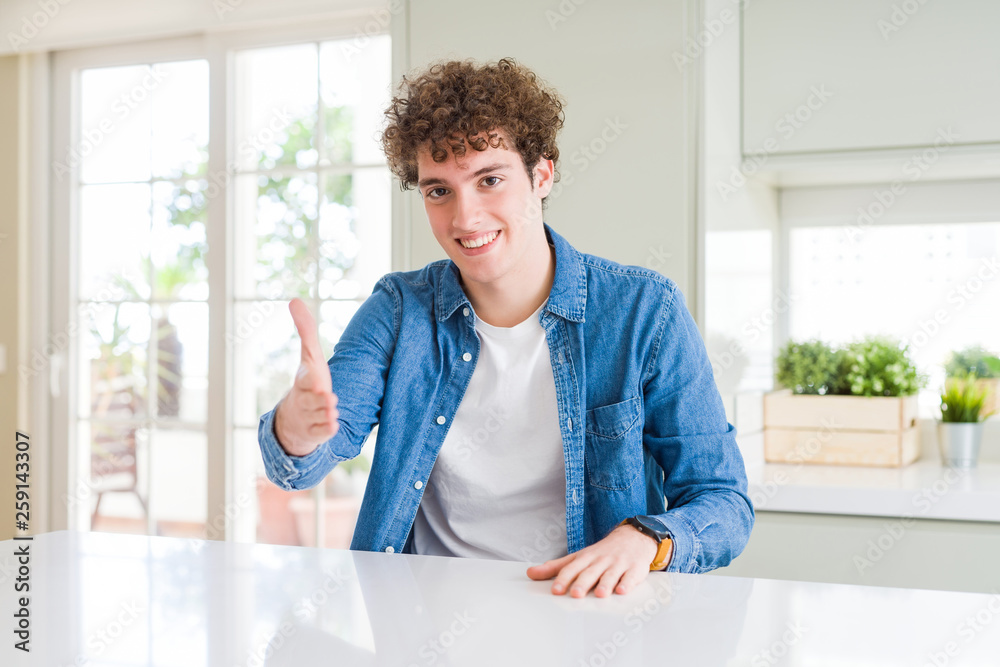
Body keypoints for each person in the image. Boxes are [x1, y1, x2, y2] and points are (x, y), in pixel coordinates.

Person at [258, 58, 754, 598]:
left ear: (541, 176)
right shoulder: (398, 309)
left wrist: (644, 541)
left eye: (489, 180)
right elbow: (299, 467)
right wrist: (295, 428)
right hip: (423, 624)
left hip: (585, 618)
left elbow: (722, 500)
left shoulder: (643, 310)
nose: (465, 218)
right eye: (438, 191)